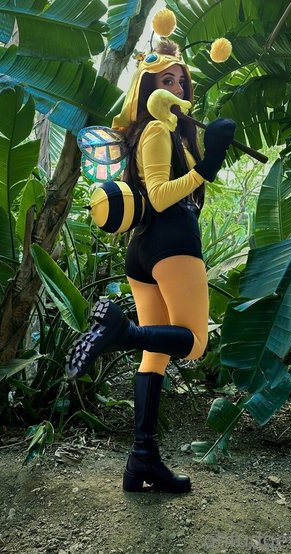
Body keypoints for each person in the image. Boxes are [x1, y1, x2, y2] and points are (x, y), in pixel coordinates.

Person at [66, 40, 235, 493]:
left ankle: (142, 460)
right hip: (172, 238)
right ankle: (121, 333)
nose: (177, 88)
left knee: (155, 356)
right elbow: (160, 196)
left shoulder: (160, 133)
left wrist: (203, 155)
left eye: (181, 81)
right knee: (194, 343)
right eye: (167, 80)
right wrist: (209, 164)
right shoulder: (157, 130)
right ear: (146, 89)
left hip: (142, 248)